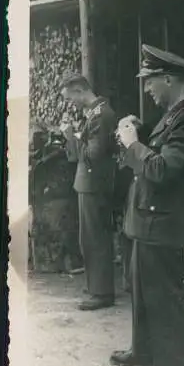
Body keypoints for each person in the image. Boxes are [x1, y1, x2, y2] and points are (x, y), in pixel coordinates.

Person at [111, 44, 184, 366]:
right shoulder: (174, 115)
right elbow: (159, 152)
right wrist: (139, 132)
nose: (147, 89)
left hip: (164, 225)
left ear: (168, 79)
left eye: (151, 82)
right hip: (149, 221)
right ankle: (145, 349)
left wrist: (134, 144)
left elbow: (163, 170)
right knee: (141, 288)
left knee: (164, 296)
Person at [59, 72, 117, 311]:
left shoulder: (101, 115)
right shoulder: (95, 113)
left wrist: (71, 137)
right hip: (90, 183)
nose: (69, 102)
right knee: (90, 237)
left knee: (95, 237)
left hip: (94, 184)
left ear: (79, 90)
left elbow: (93, 154)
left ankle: (102, 292)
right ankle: (96, 285)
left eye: (69, 97)